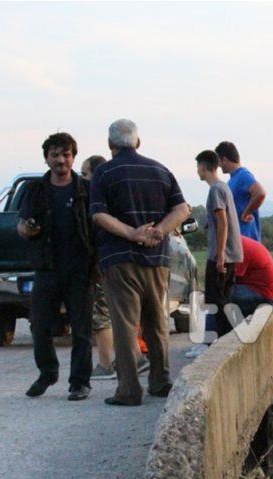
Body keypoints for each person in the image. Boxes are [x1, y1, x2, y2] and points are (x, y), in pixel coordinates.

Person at [90, 119, 191, 406]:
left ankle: (129, 390)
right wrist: (159, 230)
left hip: (119, 260)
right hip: (157, 260)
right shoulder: (160, 170)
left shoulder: (103, 173)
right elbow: (182, 208)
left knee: (124, 325)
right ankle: (160, 381)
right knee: (157, 322)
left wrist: (132, 233)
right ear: (138, 142)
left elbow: (98, 215)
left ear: (110, 145)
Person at [17, 132, 96, 401]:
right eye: (55, 155)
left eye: (66, 154)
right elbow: (22, 225)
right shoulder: (35, 190)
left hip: (79, 270)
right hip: (47, 268)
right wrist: (27, 228)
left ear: (73, 157)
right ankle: (48, 373)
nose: (61, 160)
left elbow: (98, 224)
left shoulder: (86, 189)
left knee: (82, 329)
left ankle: (79, 383)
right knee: (39, 326)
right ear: (46, 158)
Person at [82, 155, 150, 380]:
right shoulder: (119, 196)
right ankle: (137, 358)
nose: (83, 180)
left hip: (104, 265)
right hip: (123, 263)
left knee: (101, 316)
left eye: (85, 174)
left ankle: (106, 364)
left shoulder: (98, 201)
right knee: (123, 315)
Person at [197, 150, 243, 337]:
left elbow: (223, 221)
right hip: (234, 253)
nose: (197, 172)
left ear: (203, 167)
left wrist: (220, 255)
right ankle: (228, 338)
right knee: (225, 299)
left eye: (198, 168)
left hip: (221, 254)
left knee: (216, 301)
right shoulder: (224, 187)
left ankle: (225, 339)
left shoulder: (215, 189)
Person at [214, 141, 267, 241]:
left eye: (219, 162)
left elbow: (260, 193)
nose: (219, 166)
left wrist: (246, 213)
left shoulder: (243, 175)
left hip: (247, 237)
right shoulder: (232, 180)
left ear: (224, 159)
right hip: (237, 239)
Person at [232, 236, 273, 316]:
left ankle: (222, 327)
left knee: (221, 296)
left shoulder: (239, 247)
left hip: (268, 296)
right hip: (268, 292)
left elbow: (231, 278)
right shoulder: (241, 242)